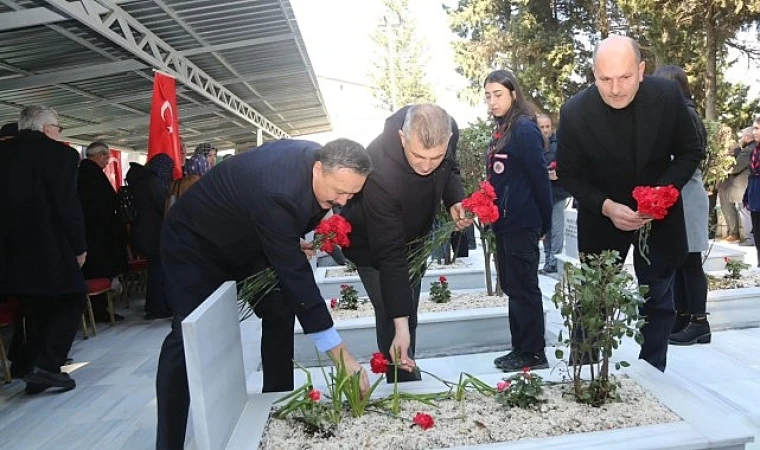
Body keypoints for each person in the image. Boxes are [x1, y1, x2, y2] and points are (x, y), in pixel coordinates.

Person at [155, 138, 372, 449]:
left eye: (352, 194)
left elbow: (280, 226)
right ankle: (168, 443)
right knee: (187, 339)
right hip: (196, 244)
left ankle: (277, 403)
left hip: (247, 240)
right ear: (318, 168)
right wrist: (340, 355)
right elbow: (296, 275)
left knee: (279, 307)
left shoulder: (320, 166)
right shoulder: (279, 189)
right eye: (339, 191)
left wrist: (284, 236)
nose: (343, 201)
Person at [556, 36, 703, 371]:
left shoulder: (666, 97)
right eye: (605, 79)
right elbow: (569, 174)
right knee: (593, 300)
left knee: (658, 300)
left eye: (624, 77)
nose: (615, 89)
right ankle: (585, 369)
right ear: (594, 74)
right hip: (601, 216)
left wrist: (659, 195)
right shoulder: (575, 112)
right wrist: (607, 206)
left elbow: (689, 151)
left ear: (640, 70)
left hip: (658, 217)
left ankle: (652, 372)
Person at [341, 104, 471, 382]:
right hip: (372, 243)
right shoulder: (379, 169)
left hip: (415, 237)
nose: (426, 166)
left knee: (407, 306)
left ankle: (405, 364)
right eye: (418, 156)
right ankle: (403, 380)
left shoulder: (450, 130)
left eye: (434, 157)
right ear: (402, 138)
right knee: (392, 312)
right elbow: (390, 256)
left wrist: (454, 199)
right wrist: (401, 325)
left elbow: (450, 169)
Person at [0, 106, 87, 393]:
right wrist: (79, 246)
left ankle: (33, 370)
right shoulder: (61, 155)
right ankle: (48, 365)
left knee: (34, 307)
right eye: (59, 128)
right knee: (73, 298)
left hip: (12, 249)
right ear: (48, 128)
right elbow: (68, 206)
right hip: (52, 245)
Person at [484, 71, 553, 372]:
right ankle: (519, 348)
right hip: (505, 222)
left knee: (525, 287)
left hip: (522, 222)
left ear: (513, 94)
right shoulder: (503, 128)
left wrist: (544, 223)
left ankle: (533, 351)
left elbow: (540, 179)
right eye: (487, 95)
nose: (492, 101)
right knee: (513, 286)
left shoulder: (524, 128)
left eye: (498, 94)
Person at [652, 65, 711, 346]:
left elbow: (692, 157)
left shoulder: (686, 114)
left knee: (690, 261)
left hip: (688, 194)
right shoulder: (672, 114)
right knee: (679, 258)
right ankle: (682, 315)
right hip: (676, 195)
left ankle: (699, 321)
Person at [78, 141, 128, 322]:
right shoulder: (91, 175)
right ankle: (99, 311)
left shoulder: (85, 173)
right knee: (99, 271)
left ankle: (98, 310)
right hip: (98, 235)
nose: (107, 161)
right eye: (106, 157)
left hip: (93, 233)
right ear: (99, 155)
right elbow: (103, 204)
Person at [126, 153, 174, 320]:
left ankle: (156, 305)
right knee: (159, 271)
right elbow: (164, 205)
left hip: (144, 233)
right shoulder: (152, 182)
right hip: (155, 233)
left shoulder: (140, 180)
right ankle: (157, 307)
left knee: (156, 270)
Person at [537, 113, 571, 274]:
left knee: (556, 228)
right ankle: (548, 260)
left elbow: (569, 163)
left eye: (547, 126)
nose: (545, 130)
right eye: (541, 127)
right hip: (542, 192)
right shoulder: (534, 143)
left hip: (557, 191)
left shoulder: (560, 143)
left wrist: (559, 172)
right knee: (546, 229)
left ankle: (553, 261)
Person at [744, 118, 760, 266]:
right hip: (755, 197)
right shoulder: (755, 150)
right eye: (754, 128)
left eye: (757, 128)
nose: (754, 132)